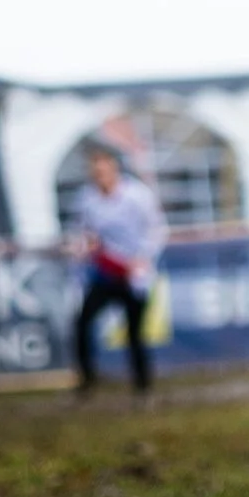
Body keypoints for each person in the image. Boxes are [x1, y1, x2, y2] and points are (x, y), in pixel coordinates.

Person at [72, 146, 167, 397]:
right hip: (105, 273)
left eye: (103, 170)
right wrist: (85, 247)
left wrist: (142, 259)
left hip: (135, 275)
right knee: (82, 323)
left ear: (114, 169)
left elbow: (157, 229)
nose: (100, 176)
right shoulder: (86, 200)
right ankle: (87, 381)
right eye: (95, 172)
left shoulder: (137, 195)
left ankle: (142, 386)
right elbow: (85, 234)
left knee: (135, 332)